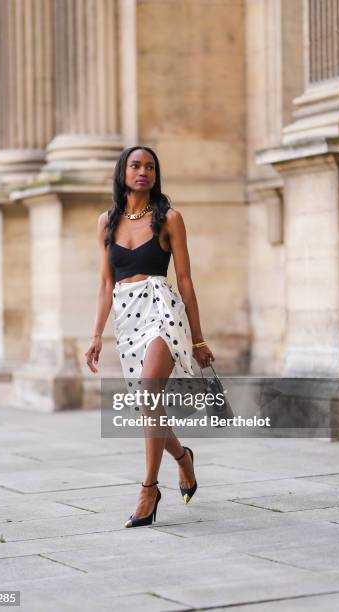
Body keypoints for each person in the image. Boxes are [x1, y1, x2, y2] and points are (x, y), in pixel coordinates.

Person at [85, 146, 215, 528]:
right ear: (122, 172)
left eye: (150, 167)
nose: (143, 171)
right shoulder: (105, 222)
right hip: (127, 317)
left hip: (162, 310)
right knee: (149, 405)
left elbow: (186, 280)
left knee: (146, 394)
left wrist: (199, 338)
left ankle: (148, 489)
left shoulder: (170, 218)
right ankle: (182, 458)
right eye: (136, 165)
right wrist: (96, 335)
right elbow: (106, 283)